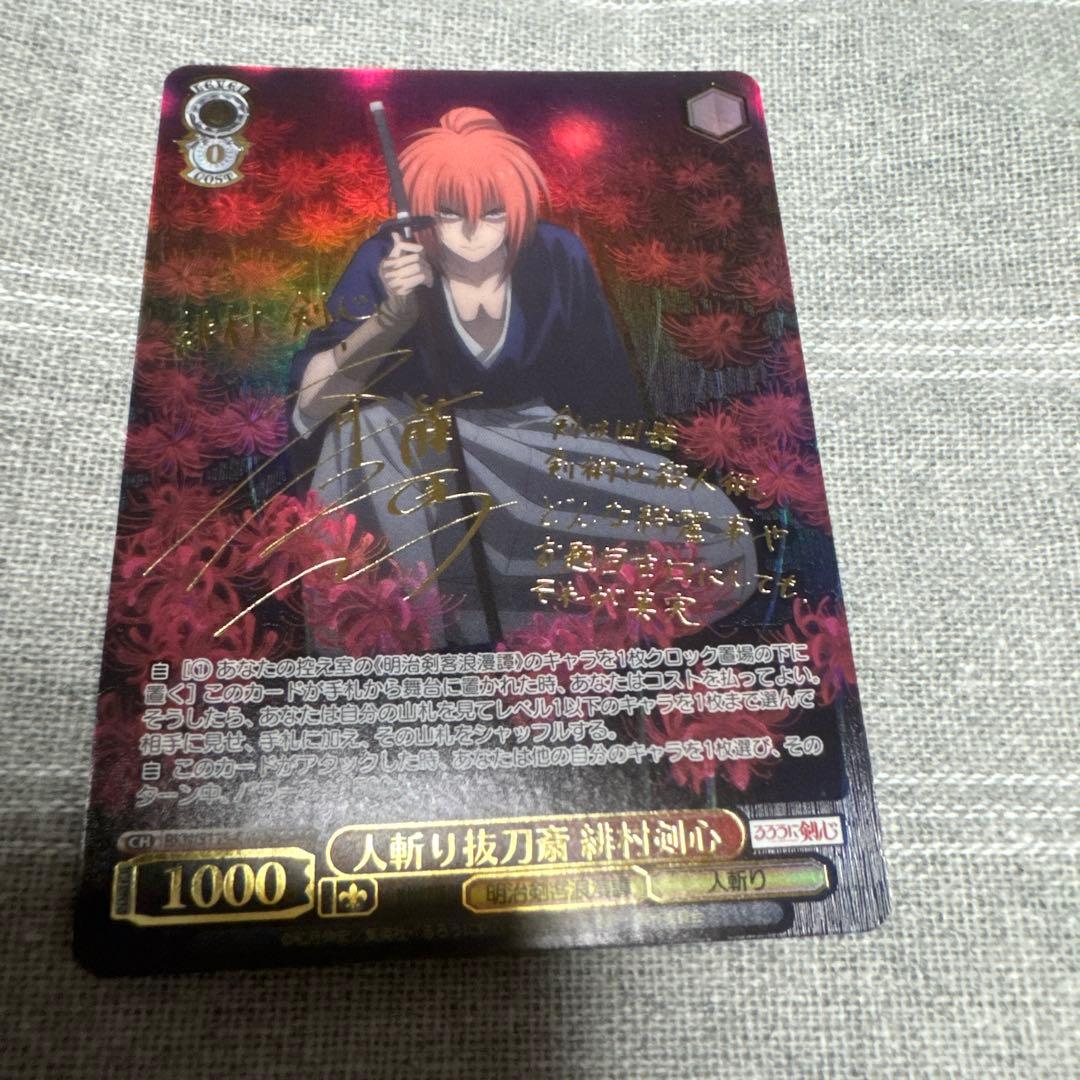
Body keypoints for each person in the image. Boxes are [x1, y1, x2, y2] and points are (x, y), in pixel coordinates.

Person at [289, 106, 756, 646]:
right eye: (449, 213)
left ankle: (546, 639)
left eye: (492, 212)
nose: (472, 233)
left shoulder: (556, 253)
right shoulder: (389, 257)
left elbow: (608, 392)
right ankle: (414, 643)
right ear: (420, 212)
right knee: (366, 428)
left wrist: (629, 475)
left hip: (539, 452)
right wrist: (391, 318)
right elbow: (313, 404)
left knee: (720, 532)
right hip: (419, 460)